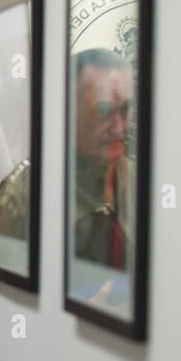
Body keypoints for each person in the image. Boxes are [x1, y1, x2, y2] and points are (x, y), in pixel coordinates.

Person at [71, 48, 134, 270]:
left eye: (125, 110)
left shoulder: (146, 183)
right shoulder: (27, 195)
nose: (118, 127)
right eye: (103, 111)